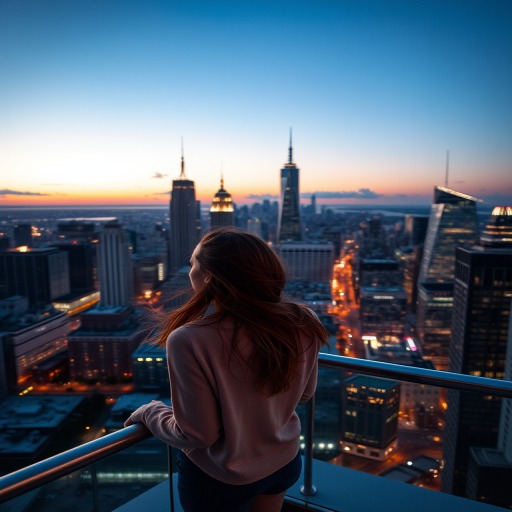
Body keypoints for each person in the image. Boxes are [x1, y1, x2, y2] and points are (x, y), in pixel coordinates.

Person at [124, 227, 329, 512]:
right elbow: (305, 394)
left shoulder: (190, 338)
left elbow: (198, 435)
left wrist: (150, 412)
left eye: (193, 264)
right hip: (283, 461)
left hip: (221, 478)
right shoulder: (303, 319)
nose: (189, 271)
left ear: (209, 276)